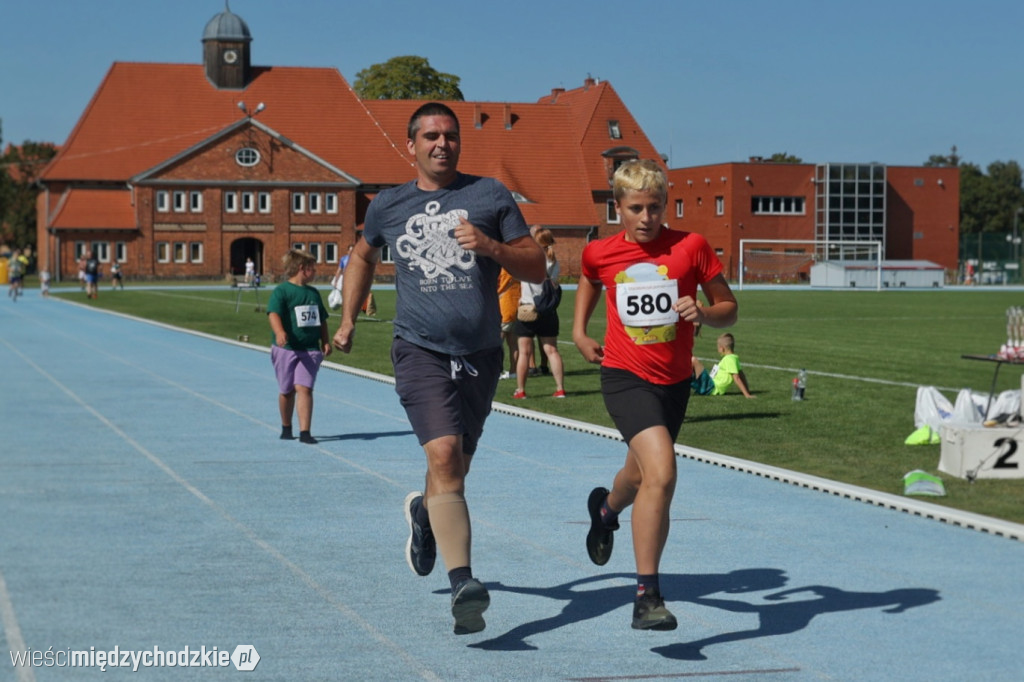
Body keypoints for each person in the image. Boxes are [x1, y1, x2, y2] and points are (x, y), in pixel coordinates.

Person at [332, 101, 545, 635]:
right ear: (412, 145)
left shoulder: (491, 195)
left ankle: (426, 516)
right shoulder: (388, 205)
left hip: (480, 353)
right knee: (445, 456)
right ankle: (463, 584)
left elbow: (536, 264)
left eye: (450, 135)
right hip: (419, 349)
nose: (441, 144)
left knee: (454, 472)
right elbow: (361, 256)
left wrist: (492, 245)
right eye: (430, 136)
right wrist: (349, 318)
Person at [573, 159, 739, 631]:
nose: (647, 217)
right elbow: (588, 277)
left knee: (638, 472)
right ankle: (647, 595)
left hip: (674, 383)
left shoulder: (691, 247)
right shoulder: (600, 252)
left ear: (667, 204)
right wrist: (580, 331)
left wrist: (705, 313)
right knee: (662, 473)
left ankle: (605, 510)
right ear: (618, 208)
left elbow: (730, 309)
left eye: (656, 207)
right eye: (637, 208)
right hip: (624, 376)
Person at [267, 249, 332, 445]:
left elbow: (322, 319)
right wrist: (279, 332)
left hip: (310, 350)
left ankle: (305, 431)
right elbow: (273, 314)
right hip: (287, 349)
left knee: (305, 389)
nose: (316, 273)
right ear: (302, 269)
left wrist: (325, 341)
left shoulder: (313, 293)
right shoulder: (282, 291)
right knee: (287, 390)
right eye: (313, 269)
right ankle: (286, 427)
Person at [513, 227, 566, 399]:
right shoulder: (554, 261)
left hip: (528, 309)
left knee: (524, 353)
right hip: (548, 311)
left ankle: (520, 390)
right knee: (552, 351)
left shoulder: (528, 259)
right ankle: (560, 389)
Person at [691, 333, 754, 398]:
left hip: (712, 388)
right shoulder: (734, 358)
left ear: (722, 348)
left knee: (693, 360)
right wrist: (747, 391)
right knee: (690, 367)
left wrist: (747, 395)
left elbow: (737, 378)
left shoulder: (730, 359)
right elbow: (742, 375)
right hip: (709, 385)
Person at [497, 267, 521, 379]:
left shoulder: (503, 268)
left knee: (497, 343)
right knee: (513, 344)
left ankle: (497, 370)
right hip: (516, 305)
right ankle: (513, 371)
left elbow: (499, 285)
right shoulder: (516, 268)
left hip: (504, 306)